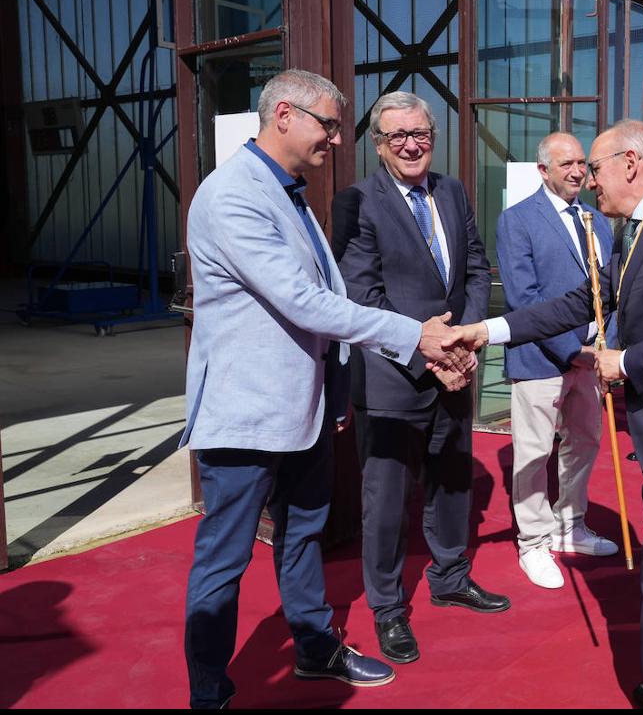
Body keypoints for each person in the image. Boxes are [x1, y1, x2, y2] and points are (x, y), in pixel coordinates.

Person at [181, 70, 461, 707]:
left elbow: (330, 295)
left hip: (303, 412)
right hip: (247, 414)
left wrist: (333, 394)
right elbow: (304, 302)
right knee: (224, 562)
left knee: (302, 534)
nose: (337, 139)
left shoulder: (289, 192)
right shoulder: (233, 196)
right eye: (328, 124)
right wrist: (414, 334)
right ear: (284, 113)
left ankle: (312, 648)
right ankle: (210, 693)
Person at [450, 119, 643, 709]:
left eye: (597, 166)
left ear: (630, 163)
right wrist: (488, 329)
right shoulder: (640, 228)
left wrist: (626, 361)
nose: (589, 180)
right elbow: (575, 303)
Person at [331, 91, 508, 668]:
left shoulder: (452, 191)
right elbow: (362, 296)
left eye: (420, 134)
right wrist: (429, 353)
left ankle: (451, 576)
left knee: (453, 481)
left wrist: (468, 337)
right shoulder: (357, 201)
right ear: (378, 145)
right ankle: (387, 607)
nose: (411, 144)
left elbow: (477, 266)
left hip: (456, 370)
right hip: (393, 377)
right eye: (396, 136)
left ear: (434, 135)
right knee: (385, 501)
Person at [494, 132, 619, 590]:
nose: (577, 171)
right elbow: (524, 299)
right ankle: (533, 542)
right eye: (566, 163)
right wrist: (572, 352)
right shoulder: (517, 220)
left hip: (592, 356)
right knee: (533, 451)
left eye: (582, 163)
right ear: (543, 169)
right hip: (542, 358)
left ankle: (570, 526)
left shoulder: (596, 218)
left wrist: (606, 348)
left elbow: (612, 289)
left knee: (585, 441)